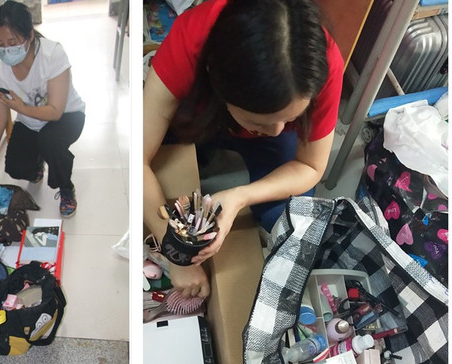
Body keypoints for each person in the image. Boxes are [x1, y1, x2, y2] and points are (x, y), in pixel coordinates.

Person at [144, 0, 344, 298]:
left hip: (229, 116)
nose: (278, 131)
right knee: (163, 172)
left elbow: (311, 166)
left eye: (290, 119)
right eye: (259, 121)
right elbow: (139, 156)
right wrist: (175, 250)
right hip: (199, 113)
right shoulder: (191, 40)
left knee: (289, 220)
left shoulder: (319, 64)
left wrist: (239, 197)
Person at [0, 1, 86, 218]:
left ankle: (66, 187)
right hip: (30, 120)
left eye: (12, 42)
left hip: (67, 116)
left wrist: (21, 107)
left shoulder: (52, 55)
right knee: (15, 168)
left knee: (50, 142)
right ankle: (37, 164)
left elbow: (55, 111)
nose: (6, 50)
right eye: (0, 44)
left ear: (30, 36)